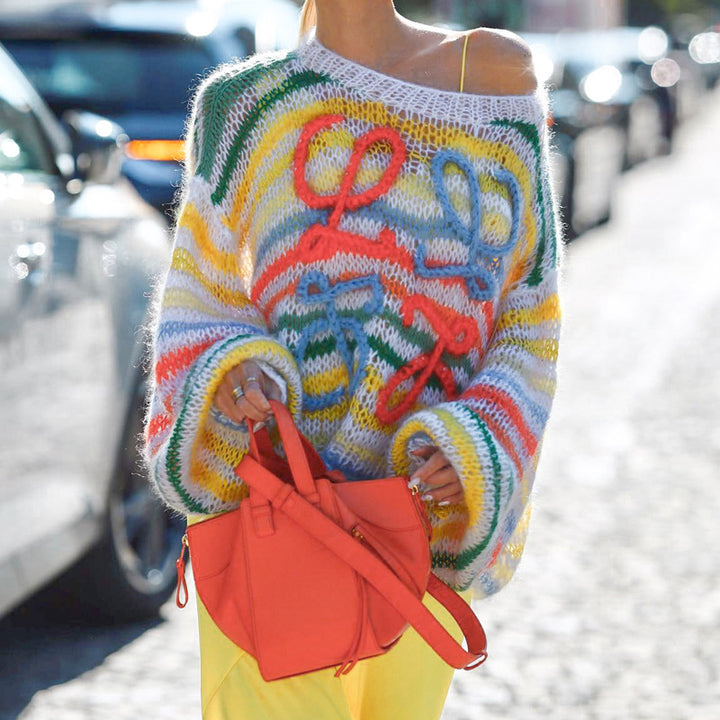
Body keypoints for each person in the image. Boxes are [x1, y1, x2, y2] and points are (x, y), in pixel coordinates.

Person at [144, 0, 561, 717]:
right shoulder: (242, 104)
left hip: (414, 534)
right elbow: (199, 299)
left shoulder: (491, 69)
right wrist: (237, 367)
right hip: (271, 526)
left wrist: (472, 444)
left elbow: (529, 320)